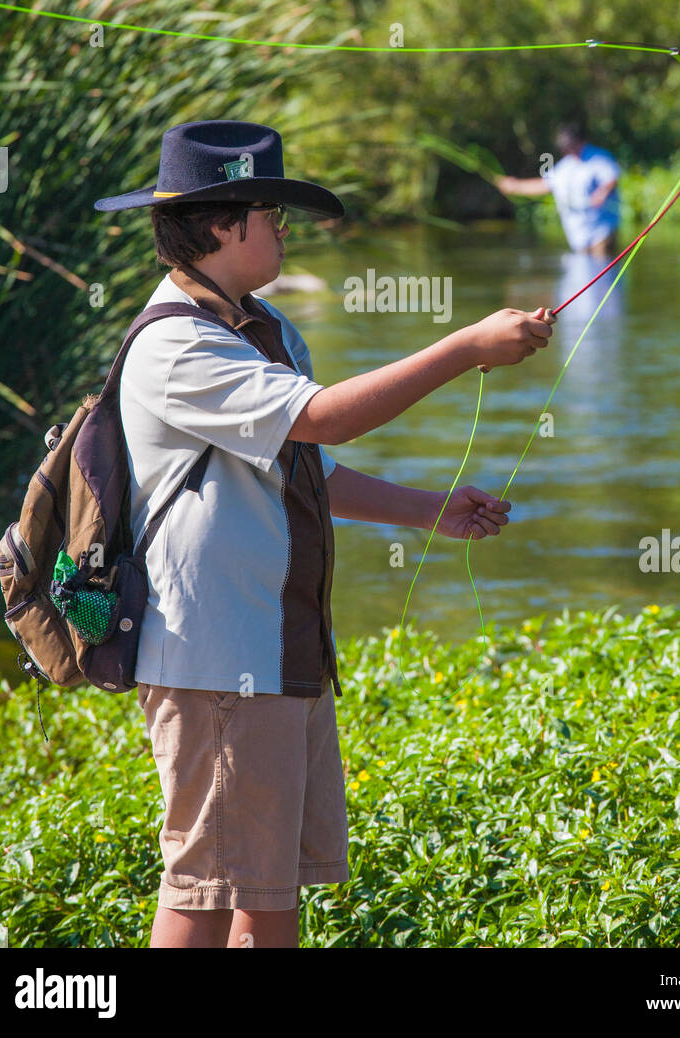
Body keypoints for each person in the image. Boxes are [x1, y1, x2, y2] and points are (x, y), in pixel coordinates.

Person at [94, 119, 555, 950]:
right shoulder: (175, 345)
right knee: (203, 885)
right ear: (223, 223)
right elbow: (325, 419)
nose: (282, 228)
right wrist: (465, 347)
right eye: (273, 212)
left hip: (281, 652)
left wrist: (430, 510)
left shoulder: (263, 327)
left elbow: (306, 471)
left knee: (268, 890)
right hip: (215, 659)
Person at [495, 117, 620, 258]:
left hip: (601, 232)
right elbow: (544, 185)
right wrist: (515, 186)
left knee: (602, 269)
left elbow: (612, 177)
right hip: (578, 236)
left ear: (580, 141)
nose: (567, 149)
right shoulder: (564, 167)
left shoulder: (599, 158)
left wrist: (602, 192)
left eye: (570, 144)